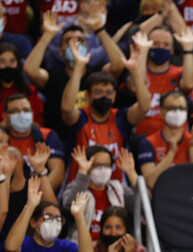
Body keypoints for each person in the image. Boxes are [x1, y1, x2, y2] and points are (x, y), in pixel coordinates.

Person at [23, 11, 125, 138]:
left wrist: (100, 30)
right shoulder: (53, 75)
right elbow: (30, 69)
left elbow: (118, 65)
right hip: (61, 137)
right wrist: (47, 35)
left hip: (95, 136)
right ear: (60, 51)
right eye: (69, 41)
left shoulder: (96, 73)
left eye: (80, 40)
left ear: (87, 48)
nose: (75, 44)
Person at [61, 43, 150, 183]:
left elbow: (144, 107)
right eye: (98, 92)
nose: (104, 96)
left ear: (114, 96)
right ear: (87, 96)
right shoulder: (81, 118)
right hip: (80, 189)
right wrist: (78, 68)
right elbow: (66, 108)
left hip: (114, 188)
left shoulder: (121, 118)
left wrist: (135, 72)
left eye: (109, 93)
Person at [132, 26, 193, 136]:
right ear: (148, 46)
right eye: (155, 44)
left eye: (166, 45)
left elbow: (189, 84)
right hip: (143, 137)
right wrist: (142, 52)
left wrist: (188, 48)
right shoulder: (138, 72)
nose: (161, 47)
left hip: (176, 136)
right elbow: (135, 86)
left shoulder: (179, 72)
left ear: (172, 50)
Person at [63, 145, 136, 241]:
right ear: (88, 165)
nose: (103, 169)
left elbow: (142, 207)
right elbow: (68, 207)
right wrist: (82, 172)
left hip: (114, 246)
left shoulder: (117, 189)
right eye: (97, 165)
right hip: (83, 250)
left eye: (107, 165)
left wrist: (131, 172)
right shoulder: (77, 187)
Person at [137, 90, 193, 187]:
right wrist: (171, 153)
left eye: (182, 108)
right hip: (162, 198)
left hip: (189, 196)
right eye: (172, 108)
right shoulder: (148, 143)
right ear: (161, 111)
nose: (177, 112)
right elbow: (150, 182)